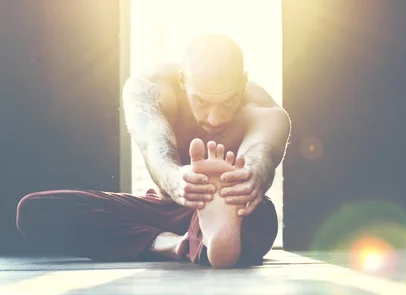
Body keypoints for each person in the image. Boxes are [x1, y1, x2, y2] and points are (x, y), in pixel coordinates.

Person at [15, 34, 291, 269]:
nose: (215, 118)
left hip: (226, 210)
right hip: (160, 208)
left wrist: (249, 179)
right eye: (202, 101)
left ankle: (209, 231)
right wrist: (176, 180)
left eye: (228, 101)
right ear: (184, 81)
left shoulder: (264, 111)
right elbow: (154, 146)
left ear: (243, 82)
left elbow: (260, 154)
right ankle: (175, 243)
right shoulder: (150, 88)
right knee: (35, 210)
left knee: (259, 214)